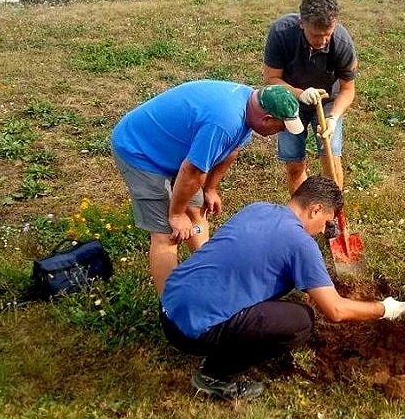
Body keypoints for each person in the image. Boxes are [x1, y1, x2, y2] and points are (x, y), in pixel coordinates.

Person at [159, 175, 405, 401]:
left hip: (169, 306)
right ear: (316, 210)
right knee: (301, 320)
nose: (323, 231)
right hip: (191, 332)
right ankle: (214, 375)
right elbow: (336, 310)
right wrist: (383, 309)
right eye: (326, 222)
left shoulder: (258, 208)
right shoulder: (300, 244)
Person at [111, 80, 304, 295]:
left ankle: (209, 276)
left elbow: (231, 150)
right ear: (267, 119)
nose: (281, 132)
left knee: (196, 213)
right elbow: (192, 171)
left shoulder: (251, 106)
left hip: (178, 149)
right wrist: (175, 214)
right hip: (141, 151)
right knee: (167, 235)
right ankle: (171, 309)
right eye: (281, 127)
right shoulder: (225, 121)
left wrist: (210, 189)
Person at [262, 0, 358, 195]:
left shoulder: (342, 43)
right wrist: (300, 94)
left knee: (330, 161)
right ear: (301, 24)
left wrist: (333, 118)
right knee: (295, 165)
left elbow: (348, 90)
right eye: (316, 35)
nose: (323, 41)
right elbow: (271, 80)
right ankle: (301, 217)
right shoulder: (281, 33)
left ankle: (332, 219)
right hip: (289, 101)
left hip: (328, 103)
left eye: (328, 34)